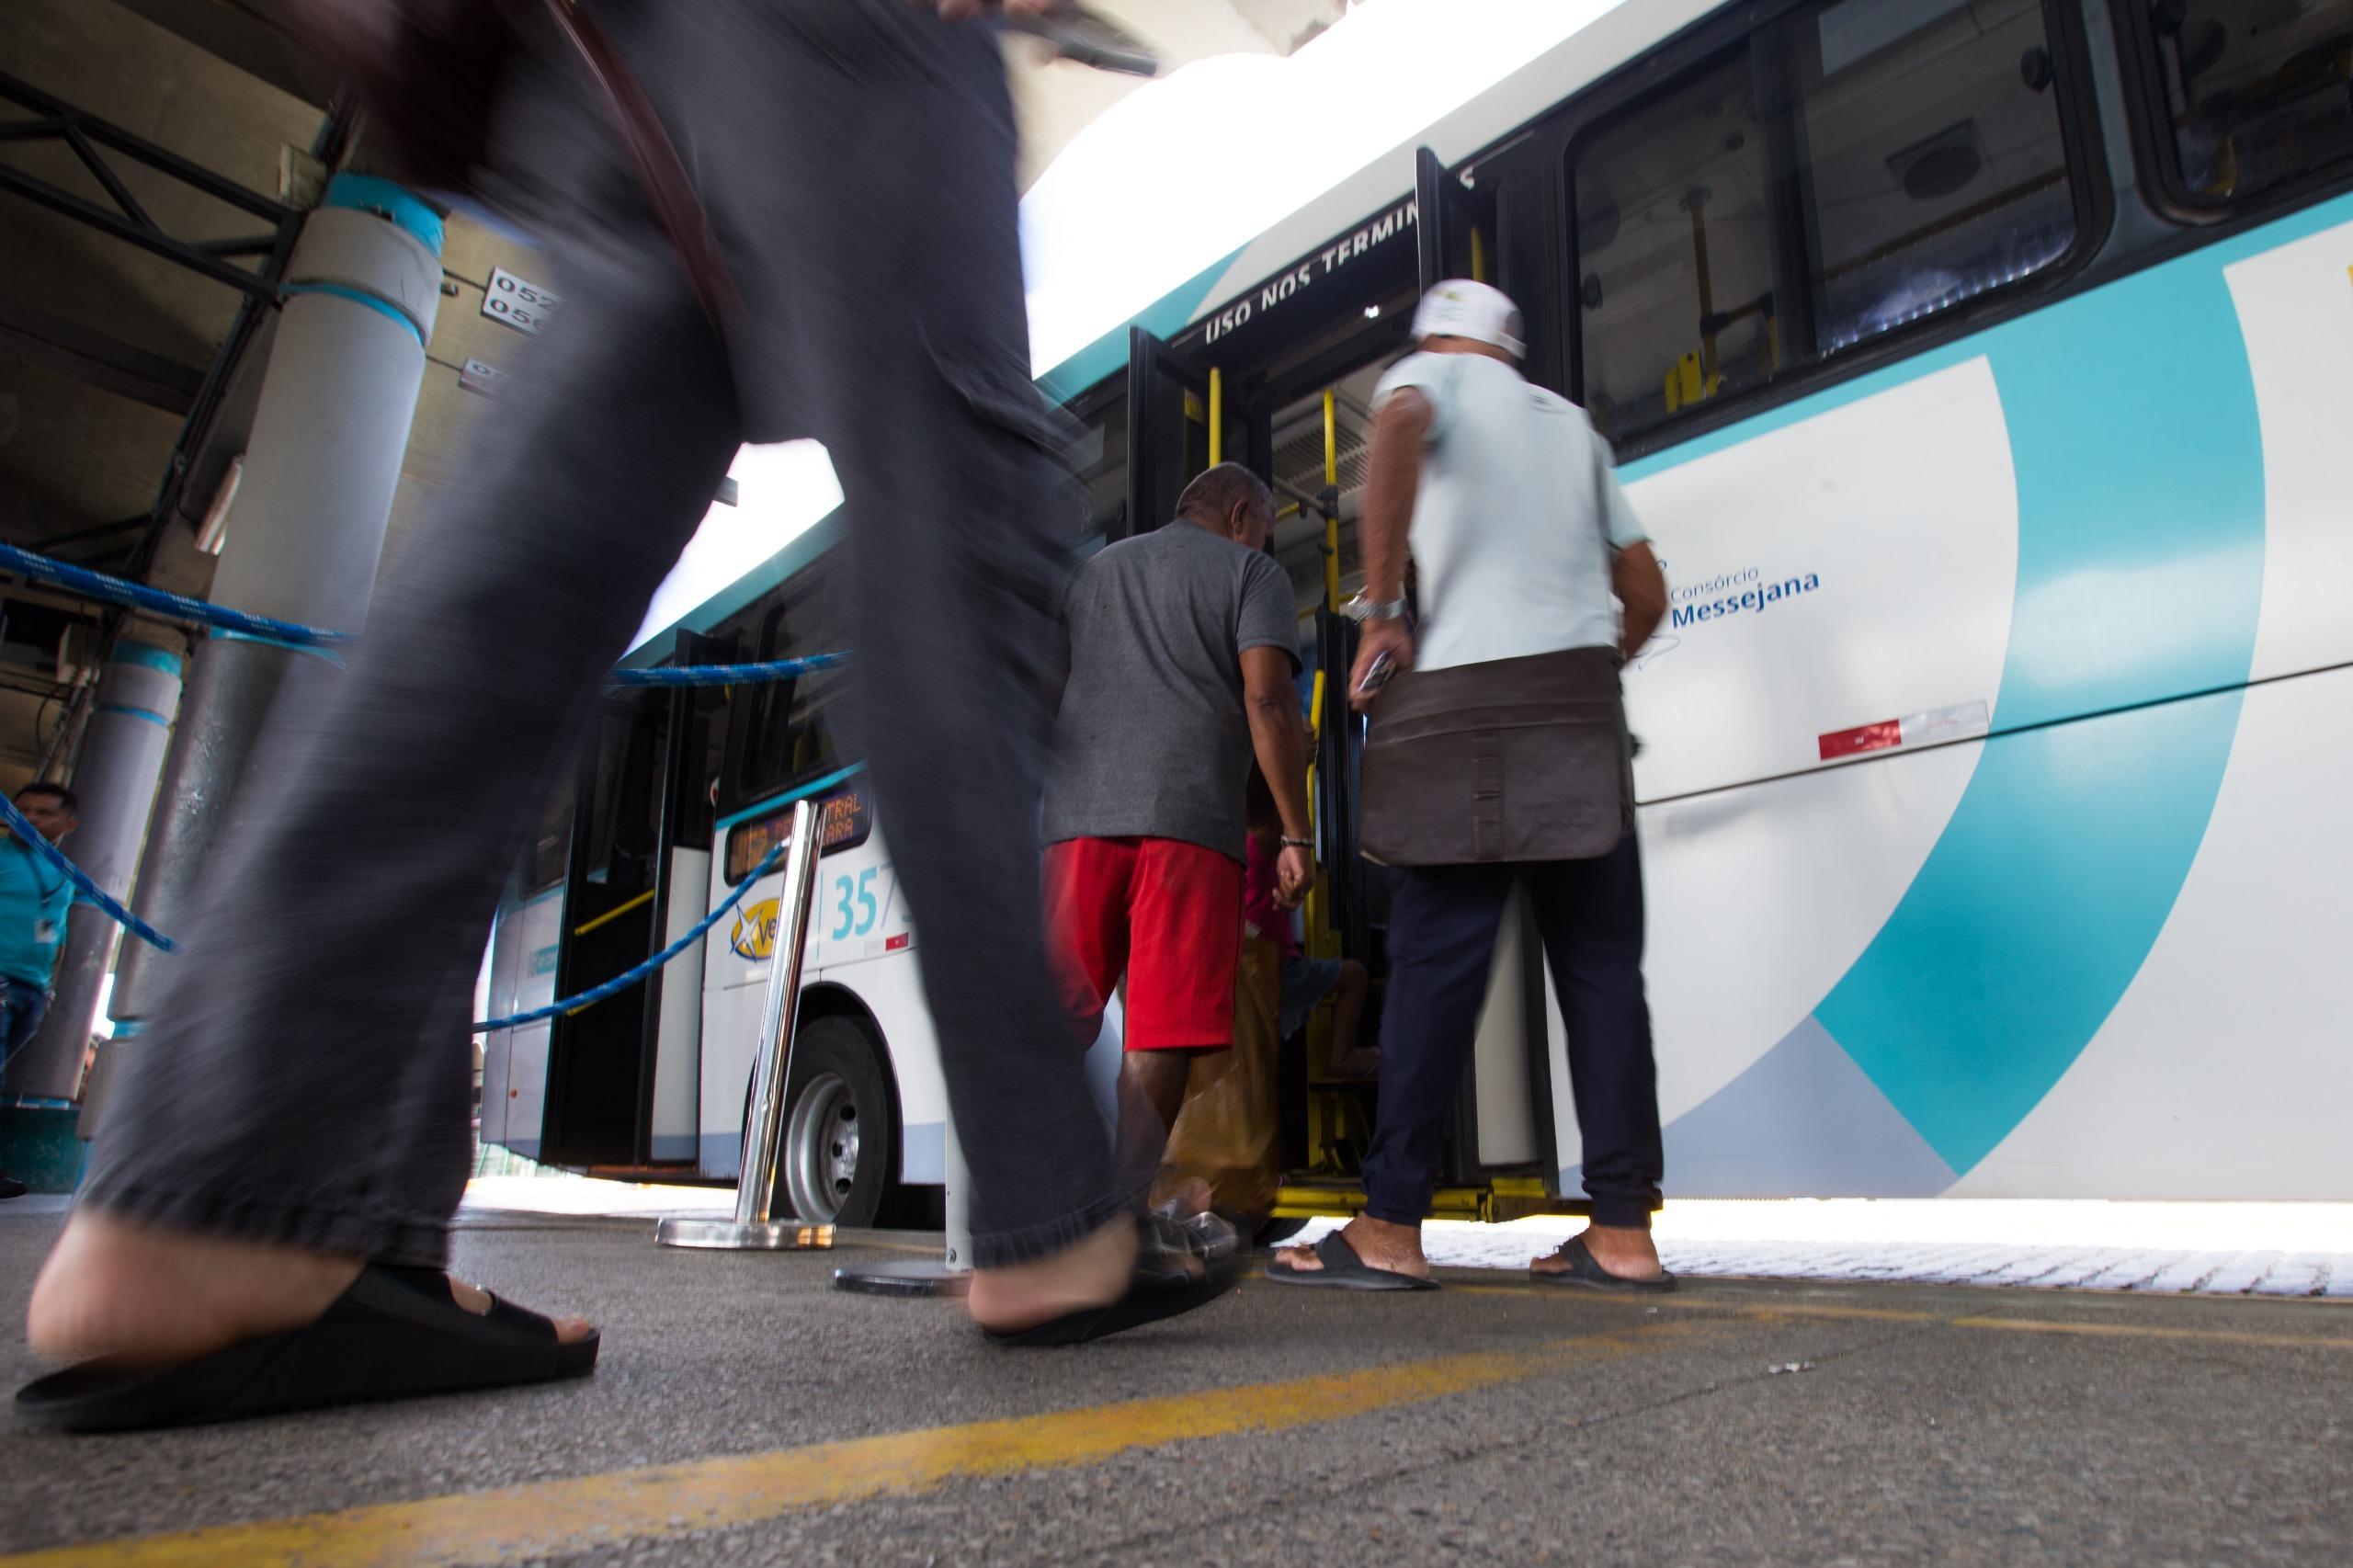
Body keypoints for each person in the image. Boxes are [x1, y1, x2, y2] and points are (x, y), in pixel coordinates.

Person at [21, 0, 1216, 1436]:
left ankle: (227, 1186)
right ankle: (1051, 1211)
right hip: (840, 38)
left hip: (602, 71)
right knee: (957, 523)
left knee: (520, 572)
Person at [1268, 280, 1672, 1294]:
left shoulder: (1426, 377)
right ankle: (1623, 1230)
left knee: (1436, 966)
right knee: (1602, 974)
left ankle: (1390, 1224)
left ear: (1442, 337)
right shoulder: (1572, 426)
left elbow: (1397, 426)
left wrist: (1385, 609)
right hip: (1577, 707)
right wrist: (1582, 669)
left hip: (1462, 710)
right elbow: (1646, 590)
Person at [1040, 463, 1314, 1210]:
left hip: (1073, 824)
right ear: (1238, 515)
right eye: (1263, 526)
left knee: (1056, 1014)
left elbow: (1046, 688)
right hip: (1188, 826)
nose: (1265, 541)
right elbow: (1268, 699)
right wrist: (1298, 833)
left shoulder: (1094, 573)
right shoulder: (1251, 572)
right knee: (1159, 1028)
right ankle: (1118, 1216)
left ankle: (1029, 1201)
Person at [1242, 764, 1372, 1077]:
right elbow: (1289, 826)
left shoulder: (1237, 843)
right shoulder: (1262, 841)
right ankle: (1342, 1058)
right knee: (1355, 976)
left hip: (1252, 970)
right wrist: (1296, 762)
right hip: (1280, 967)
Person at [0, 783, 78, 1201]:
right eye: (23, 810)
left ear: (69, 824)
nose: (29, 818)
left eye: (42, 812)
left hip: (32, 988)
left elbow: (58, 931)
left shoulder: (64, 871)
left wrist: (49, 987)